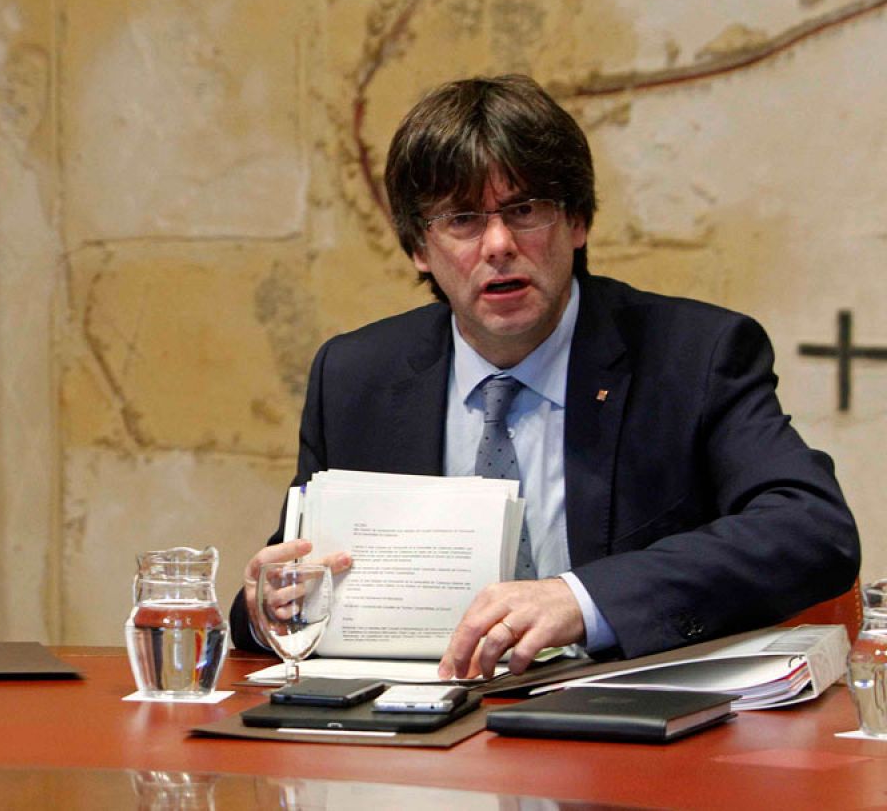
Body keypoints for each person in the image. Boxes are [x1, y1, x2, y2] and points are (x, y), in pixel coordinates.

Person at [232, 74, 859, 678]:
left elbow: (811, 530)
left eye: (525, 210)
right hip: (419, 726)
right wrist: (268, 607)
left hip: (618, 723)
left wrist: (581, 600)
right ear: (419, 249)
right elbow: (292, 582)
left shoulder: (693, 356)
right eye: (462, 220)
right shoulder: (356, 376)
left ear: (577, 222)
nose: (498, 244)